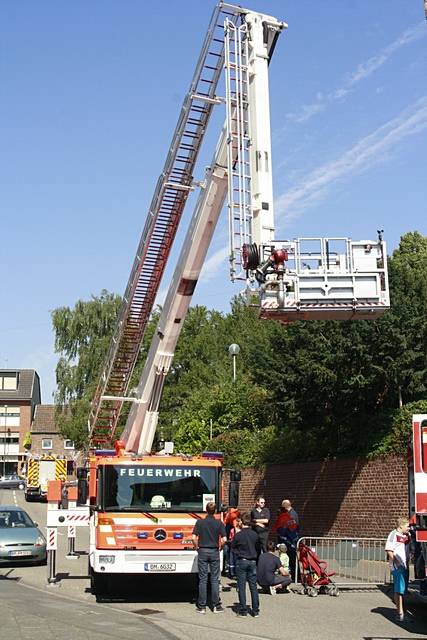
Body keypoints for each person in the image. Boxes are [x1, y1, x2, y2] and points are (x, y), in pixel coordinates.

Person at [192, 502, 227, 614]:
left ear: (206, 510)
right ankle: (216, 605)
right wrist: (220, 548)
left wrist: (197, 547)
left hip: (202, 550)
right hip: (214, 551)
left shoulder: (200, 522)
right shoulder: (219, 523)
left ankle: (202, 606)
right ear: (215, 511)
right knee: (214, 579)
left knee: (202, 579)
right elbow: (224, 539)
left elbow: (193, 537)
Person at [231, 511, 260, 617]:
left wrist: (238, 553)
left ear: (241, 522)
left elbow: (233, 547)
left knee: (241, 586)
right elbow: (258, 548)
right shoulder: (255, 535)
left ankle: (243, 610)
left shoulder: (238, 535)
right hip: (252, 561)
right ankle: (255, 610)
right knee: (253, 586)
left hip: (242, 560)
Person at [385, 517, 410, 623]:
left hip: (405, 566)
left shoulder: (407, 535)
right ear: (401, 526)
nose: (409, 528)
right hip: (397, 566)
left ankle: (403, 612)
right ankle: (400, 614)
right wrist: (397, 562)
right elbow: (389, 550)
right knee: (399, 590)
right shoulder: (393, 534)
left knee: (403, 590)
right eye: (407, 526)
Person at [272, 499, 299, 580]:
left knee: (292, 559)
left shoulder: (292, 515)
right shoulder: (290, 514)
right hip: (289, 539)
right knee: (290, 559)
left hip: (290, 540)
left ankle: (296, 576)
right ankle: (295, 575)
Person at [224, 507, 240, 578]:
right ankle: (233, 572)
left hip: (229, 540)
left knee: (229, 555)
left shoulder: (231, 515)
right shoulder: (234, 515)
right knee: (232, 556)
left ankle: (230, 571)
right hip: (232, 541)